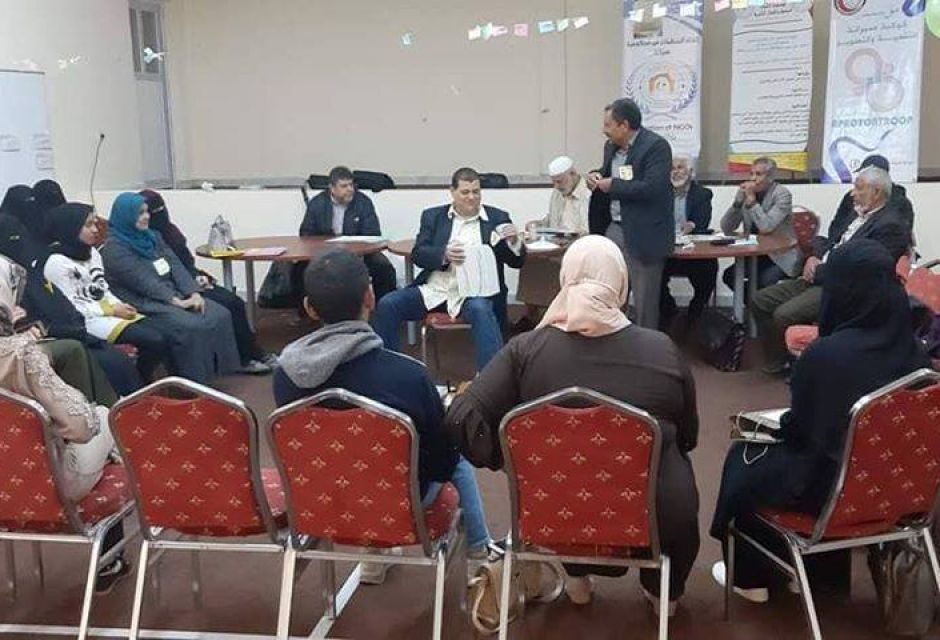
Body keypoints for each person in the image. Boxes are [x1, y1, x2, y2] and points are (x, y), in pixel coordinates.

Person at [445, 235, 700, 613]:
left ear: (566, 279)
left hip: (553, 506)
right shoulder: (661, 349)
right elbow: (690, 435)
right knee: (674, 468)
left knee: (570, 474)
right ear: (620, 283)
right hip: (653, 513)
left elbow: (459, 417)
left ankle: (577, 577)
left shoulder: (525, 350)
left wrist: (510, 459)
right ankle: (662, 591)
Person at [710, 239, 930, 602]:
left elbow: (801, 433)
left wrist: (774, 424)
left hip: (829, 491)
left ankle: (752, 578)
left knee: (744, 460)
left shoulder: (825, 356)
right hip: (898, 485)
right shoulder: (915, 354)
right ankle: (822, 576)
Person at [274, 249, 494, 582]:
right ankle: (480, 552)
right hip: (399, 501)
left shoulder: (286, 374)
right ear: (370, 297)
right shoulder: (408, 375)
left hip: (319, 496)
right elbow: (441, 463)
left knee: (348, 454)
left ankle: (375, 555)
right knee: (454, 455)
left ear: (309, 307)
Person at [0, 256, 130, 591]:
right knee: (104, 417)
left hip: (6, 483)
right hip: (48, 483)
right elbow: (80, 427)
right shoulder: (21, 356)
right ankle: (110, 556)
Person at [751, 166, 912, 375]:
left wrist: (819, 271)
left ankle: (803, 368)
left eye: (859, 188)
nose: (853, 193)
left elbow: (865, 269)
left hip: (840, 287)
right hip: (817, 274)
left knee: (784, 314)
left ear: (876, 192)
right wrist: (814, 257)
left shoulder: (890, 226)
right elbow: (831, 240)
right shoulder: (855, 214)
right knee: (760, 300)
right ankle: (779, 360)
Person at [374, 167, 526, 370]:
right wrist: (443, 255)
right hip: (436, 290)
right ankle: (388, 369)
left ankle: (492, 379)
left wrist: (514, 243)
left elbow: (516, 262)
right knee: (388, 304)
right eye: (465, 192)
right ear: (452, 192)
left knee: (481, 309)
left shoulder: (497, 218)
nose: (471, 197)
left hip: (474, 294)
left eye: (476, 192)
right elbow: (419, 254)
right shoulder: (433, 216)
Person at [100, 193, 241, 385]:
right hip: (143, 302)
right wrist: (177, 302)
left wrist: (193, 293)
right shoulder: (114, 249)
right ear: (125, 216)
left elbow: (176, 265)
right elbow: (143, 282)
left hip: (174, 294)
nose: (146, 217)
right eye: (140, 213)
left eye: (147, 212)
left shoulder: (153, 237)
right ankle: (191, 383)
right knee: (190, 326)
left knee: (219, 313)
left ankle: (214, 372)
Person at [0, 214, 139, 400]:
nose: (95, 229)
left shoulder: (29, 270)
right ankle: (102, 410)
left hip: (64, 329)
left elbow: (59, 303)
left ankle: (131, 407)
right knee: (84, 353)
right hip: (33, 340)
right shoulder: (50, 263)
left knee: (115, 357)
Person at [139, 189, 275, 374]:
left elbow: (183, 263)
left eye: (160, 209)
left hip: (189, 280)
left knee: (233, 301)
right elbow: (155, 274)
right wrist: (189, 287)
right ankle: (244, 358)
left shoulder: (170, 232)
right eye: (148, 212)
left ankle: (251, 352)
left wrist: (198, 277)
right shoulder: (144, 240)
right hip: (172, 290)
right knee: (226, 305)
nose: (154, 215)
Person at [43, 202, 173, 385]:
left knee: (166, 331)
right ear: (71, 228)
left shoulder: (92, 253)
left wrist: (119, 305)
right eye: (88, 225)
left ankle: (150, 380)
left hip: (109, 312)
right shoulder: (56, 263)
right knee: (154, 340)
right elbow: (72, 307)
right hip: (87, 321)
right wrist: (112, 311)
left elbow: (102, 288)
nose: (96, 230)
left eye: (95, 224)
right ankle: (141, 383)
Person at [586, 98, 674, 331]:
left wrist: (613, 186)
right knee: (610, 293)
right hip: (614, 229)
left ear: (624, 126)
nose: (603, 130)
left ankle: (647, 348)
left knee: (645, 302)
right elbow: (609, 173)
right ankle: (614, 340)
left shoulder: (656, 147)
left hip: (645, 234)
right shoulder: (610, 147)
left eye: (608, 125)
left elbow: (652, 188)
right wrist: (595, 176)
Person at [297, 166, 398, 301]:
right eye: (344, 186)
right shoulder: (317, 203)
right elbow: (306, 233)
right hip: (324, 253)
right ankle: (307, 309)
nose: (350, 189)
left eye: (351, 185)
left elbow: (373, 233)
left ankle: (383, 306)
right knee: (299, 269)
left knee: (383, 268)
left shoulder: (363, 202)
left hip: (359, 253)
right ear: (332, 188)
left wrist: (355, 248)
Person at [514, 155, 590, 331]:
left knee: (550, 264)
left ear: (573, 174)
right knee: (530, 261)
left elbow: (588, 229)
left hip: (579, 247)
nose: (557, 186)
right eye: (554, 182)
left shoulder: (588, 194)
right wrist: (538, 224)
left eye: (560, 181)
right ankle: (531, 314)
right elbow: (552, 220)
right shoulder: (557, 193)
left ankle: (555, 315)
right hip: (556, 245)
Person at [719, 157, 800, 291]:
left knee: (764, 280)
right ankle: (751, 302)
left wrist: (752, 201)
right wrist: (737, 203)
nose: (753, 179)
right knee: (729, 276)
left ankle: (758, 302)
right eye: (751, 174)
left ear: (770, 177)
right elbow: (726, 228)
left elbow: (766, 227)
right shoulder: (746, 193)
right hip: (754, 254)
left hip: (779, 256)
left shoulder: (782, 194)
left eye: (758, 174)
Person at [660, 155, 717, 324]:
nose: (676, 172)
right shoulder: (659, 194)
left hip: (692, 252)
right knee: (651, 270)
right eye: (672, 168)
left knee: (709, 267)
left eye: (680, 168)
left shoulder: (702, 194)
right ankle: (668, 309)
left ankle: (695, 311)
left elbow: (702, 221)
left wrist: (692, 225)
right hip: (666, 251)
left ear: (691, 172)